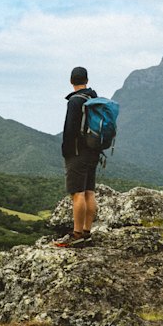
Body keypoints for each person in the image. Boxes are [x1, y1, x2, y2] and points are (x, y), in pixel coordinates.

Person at [54, 66, 100, 248]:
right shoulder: (94, 98)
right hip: (94, 151)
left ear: (71, 81)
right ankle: (87, 232)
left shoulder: (75, 101)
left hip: (78, 153)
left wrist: (66, 151)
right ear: (86, 80)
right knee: (89, 191)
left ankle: (77, 234)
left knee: (77, 194)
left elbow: (69, 130)